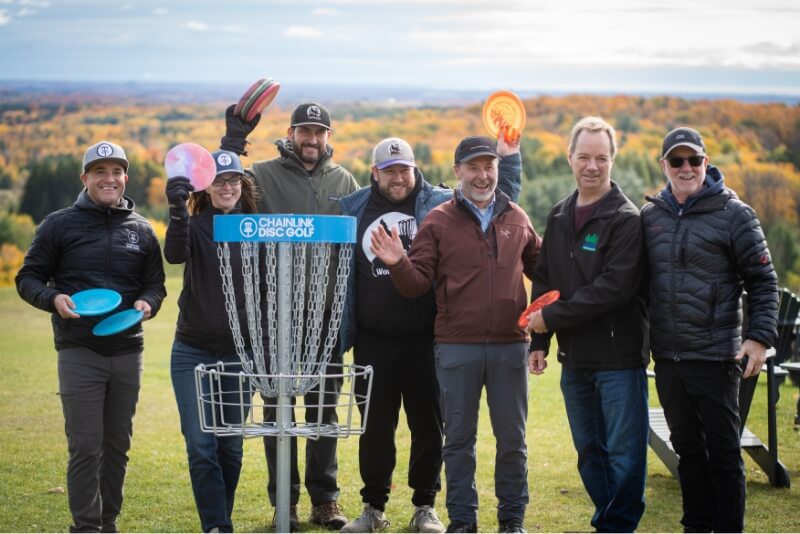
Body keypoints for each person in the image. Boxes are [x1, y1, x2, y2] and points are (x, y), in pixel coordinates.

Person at [338, 133, 522, 533]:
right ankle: (373, 508)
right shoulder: (354, 209)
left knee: (429, 425)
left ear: (415, 168)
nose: (398, 178)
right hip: (373, 338)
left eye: (404, 169)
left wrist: (511, 157)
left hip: (428, 336)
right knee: (375, 428)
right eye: (389, 171)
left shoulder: (437, 204)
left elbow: (499, 198)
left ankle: (425, 506)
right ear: (375, 173)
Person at [16, 140, 166, 533]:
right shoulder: (58, 224)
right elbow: (27, 277)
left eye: (116, 171)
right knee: (85, 445)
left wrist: (148, 304)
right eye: (100, 171)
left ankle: (108, 522)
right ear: (85, 178)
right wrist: (54, 298)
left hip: (127, 348)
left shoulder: (142, 230)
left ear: (125, 178)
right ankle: (85, 527)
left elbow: (156, 286)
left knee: (117, 446)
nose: (109, 178)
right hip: (79, 348)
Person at [221, 101, 359, 530]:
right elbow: (219, 189)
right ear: (291, 132)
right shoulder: (260, 175)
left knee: (323, 409)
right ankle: (286, 502)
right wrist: (232, 140)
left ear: (328, 137)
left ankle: (325, 500)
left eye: (319, 132)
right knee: (276, 407)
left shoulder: (344, 180)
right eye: (304, 131)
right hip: (272, 316)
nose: (312, 139)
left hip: (325, 318)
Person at [642, 127, 779, 532]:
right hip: (668, 358)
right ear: (664, 165)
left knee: (722, 453)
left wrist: (758, 339)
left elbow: (763, 281)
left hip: (717, 357)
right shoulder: (651, 217)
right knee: (687, 451)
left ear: (706, 162)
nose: (686, 168)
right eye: (677, 160)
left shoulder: (735, 214)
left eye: (694, 160)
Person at [526, 117, 649, 532]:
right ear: (569, 159)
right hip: (575, 359)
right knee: (588, 452)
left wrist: (553, 318)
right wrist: (539, 339)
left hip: (619, 359)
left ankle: (615, 526)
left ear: (612, 160)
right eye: (584, 157)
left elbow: (613, 288)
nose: (592, 166)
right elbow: (546, 279)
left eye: (601, 158)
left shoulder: (626, 218)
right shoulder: (559, 215)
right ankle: (609, 521)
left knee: (625, 455)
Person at [163, 150, 260, 533]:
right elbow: (173, 254)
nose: (228, 187)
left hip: (240, 355)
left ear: (242, 185)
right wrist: (177, 212)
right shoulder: (196, 225)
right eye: (220, 180)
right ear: (206, 186)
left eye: (234, 180)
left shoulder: (257, 227)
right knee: (201, 445)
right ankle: (217, 526)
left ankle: (220, 520)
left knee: (230, 447)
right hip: (192, 351)